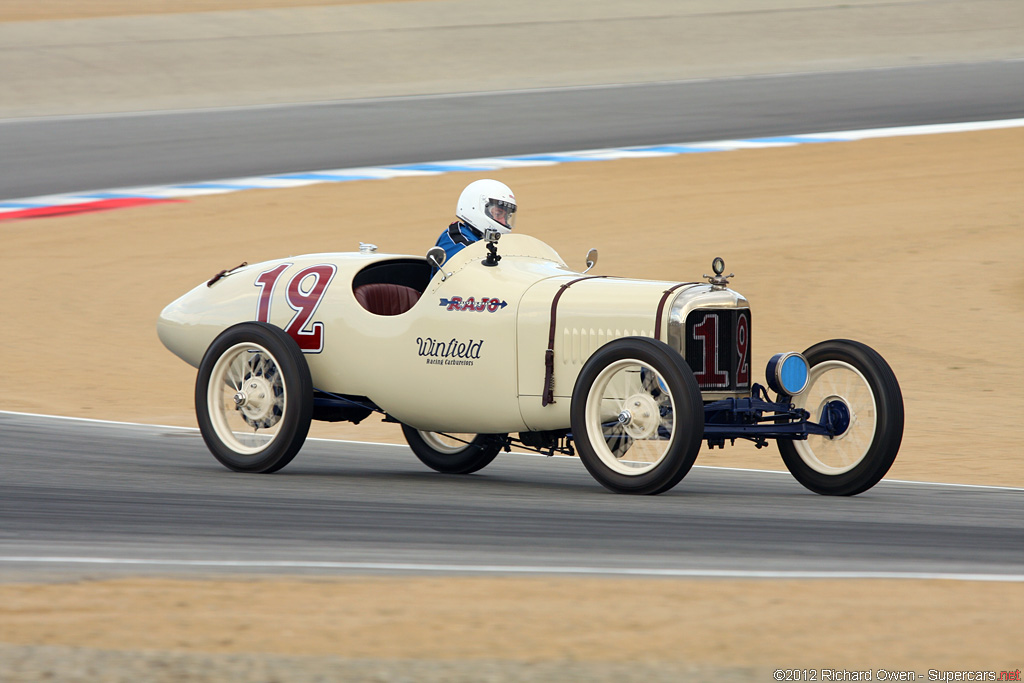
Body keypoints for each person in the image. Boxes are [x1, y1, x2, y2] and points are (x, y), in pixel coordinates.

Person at [435, 179, 517, 265]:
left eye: (506, 217)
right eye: (498, 213)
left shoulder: (487, 240)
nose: (504, 222)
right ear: (474, 207)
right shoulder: (455, 239)